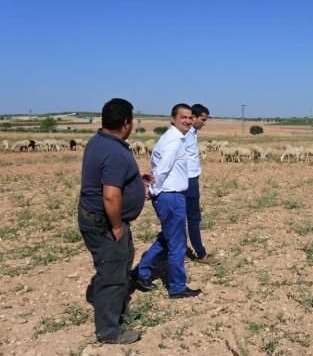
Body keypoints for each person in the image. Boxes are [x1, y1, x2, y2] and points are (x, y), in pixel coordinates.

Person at [78, 98, 151, 344]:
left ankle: (118, 311)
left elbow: (107, 176)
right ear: (126, 123)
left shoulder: (98, 142)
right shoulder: (114, 152)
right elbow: (110, 195)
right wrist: (117, 225)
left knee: (120, 264)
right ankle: (109, 331)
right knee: (111, 271)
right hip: (105, 221)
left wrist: (133, 179)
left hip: (95, 216)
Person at [132, 104, 202, 299]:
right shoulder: (174, 142)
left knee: (168, 237)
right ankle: (177, 287)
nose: (187, 121)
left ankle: (141, 272)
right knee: (177, 243)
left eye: (190, 117)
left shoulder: (170, 138)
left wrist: (153, 190)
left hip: (168, 195)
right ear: (173, 119)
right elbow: (162, 170)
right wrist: (152, 190)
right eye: (183, 117)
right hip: (170, 196)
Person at [184, 103, 219, 264]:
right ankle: (201, 254)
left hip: (191, 179)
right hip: (188, 180)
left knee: (183, 219)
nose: (205, 122)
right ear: (194, 117)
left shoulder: (192, 133)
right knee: (193, 218)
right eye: (203, 119)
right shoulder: (184, 135)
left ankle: (187, 249)